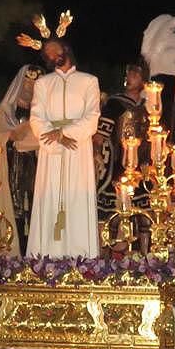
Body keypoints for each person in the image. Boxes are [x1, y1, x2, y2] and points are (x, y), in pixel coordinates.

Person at [26, 38, 101, 258]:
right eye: (46, 54)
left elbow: (92, 117)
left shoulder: (89, 81)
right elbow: (36, 117)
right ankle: (45, 257)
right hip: (51, 150)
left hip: (78, 148)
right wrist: (57, 137)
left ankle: (81, 256)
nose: (50, 55)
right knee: (48, 196)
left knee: (78, 197)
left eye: (53, 50)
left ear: (65, 48)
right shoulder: (43, 84)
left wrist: (64, 133)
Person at [0, 63, 44, 255]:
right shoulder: (5, 112)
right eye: (26, 83)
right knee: (15, 213)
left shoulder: (42, 114)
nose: (29, 89)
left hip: (35, 169)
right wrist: (10, 136)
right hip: (12, 170)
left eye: (34, 85)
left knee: (34, 213)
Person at [94, 63, 149, 222]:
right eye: (128, 73)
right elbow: (100, 135)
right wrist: (96, 152)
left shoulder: (148, 109)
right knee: (112, 218)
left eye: (135, 74)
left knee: (145, 217)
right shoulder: (114, 103)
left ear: (144, 81)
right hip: (117, 166)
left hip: (141, 169)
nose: (129, 76)